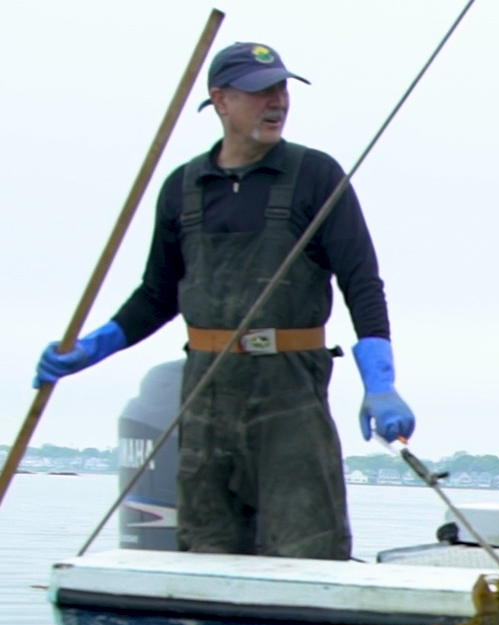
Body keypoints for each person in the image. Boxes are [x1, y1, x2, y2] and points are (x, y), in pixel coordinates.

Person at [34, 42, 411, 560]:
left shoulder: (316, 176)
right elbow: (157, 294)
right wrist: (93, 348)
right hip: (205, 393)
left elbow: (362, 282)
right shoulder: (182, 188)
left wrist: (381, 383)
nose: (276, 102)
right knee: (204, 550)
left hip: (290, 395)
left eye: (281, 89)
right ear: (221, 101)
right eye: (260, 92)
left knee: (308, 550)